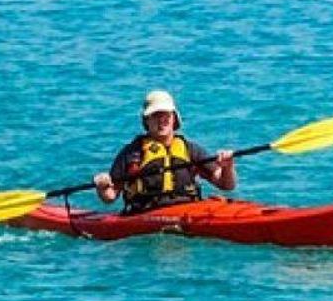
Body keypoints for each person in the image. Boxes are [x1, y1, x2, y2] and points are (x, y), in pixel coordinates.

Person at [92, 90, 236, 214]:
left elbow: (226, 185)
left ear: (174, 118)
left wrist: (228, 166)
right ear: (146, 120)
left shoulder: (190, 149)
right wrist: (102, 187)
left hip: (189, 210)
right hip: (145, 214)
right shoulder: (131, 153)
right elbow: (110, 197)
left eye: (166, 115)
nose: (162, 120)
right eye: (156, 115)